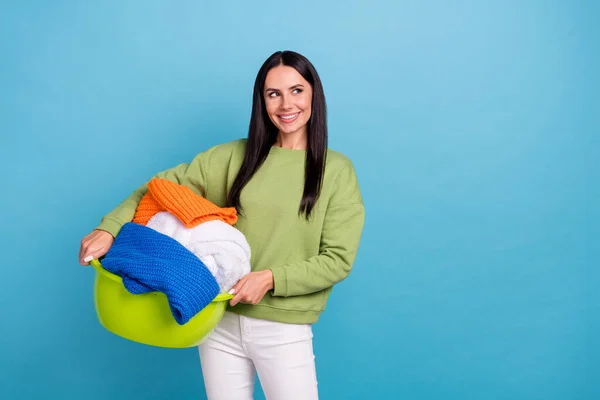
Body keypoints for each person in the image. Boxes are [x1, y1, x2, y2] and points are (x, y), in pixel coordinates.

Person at [79, 50, 365, 400]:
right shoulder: (232, 157)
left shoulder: (336, 171)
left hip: (283, 327)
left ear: (313, 95)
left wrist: (270, 278)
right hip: (218, 319)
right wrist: (109, 228)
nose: (286, 104)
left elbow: (337, 259)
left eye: (296, 90)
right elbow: (158, 190)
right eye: (273, 93)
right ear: (261, 101)